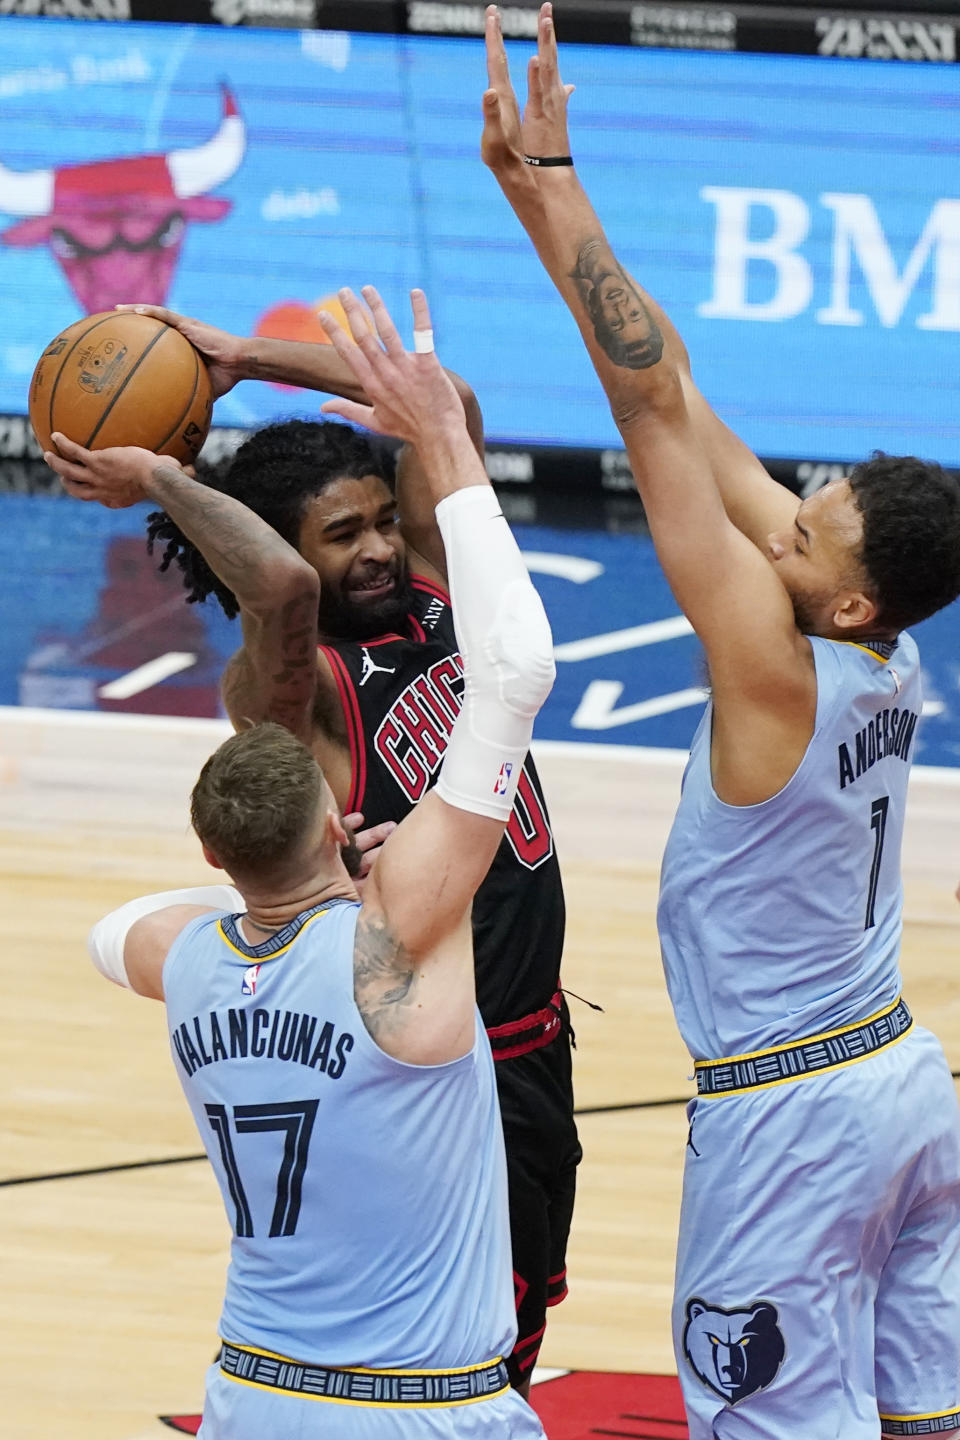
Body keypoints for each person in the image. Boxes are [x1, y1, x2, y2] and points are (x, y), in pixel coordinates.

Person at [480, 6, 960, 1439]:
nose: (780, 533)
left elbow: (644, 413)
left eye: (804, 538)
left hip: (793, 1119)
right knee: (924, 1412)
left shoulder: (774, 668)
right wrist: (534, 191)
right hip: (900, 1085)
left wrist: (556, 182)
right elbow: (684, 392)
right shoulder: (890, 659)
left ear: (851, 598)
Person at [48, 298, 579, 1395]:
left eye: (383, 519)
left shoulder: (436, 587)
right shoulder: (291, 692)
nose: (381, 546)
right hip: (426, 1057)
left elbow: (452, 412)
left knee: (516, 1330)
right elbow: (280, 588)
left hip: (533, 1033)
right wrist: (159, 479)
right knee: (464, 1349)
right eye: (347, 533)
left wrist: (243, 358)